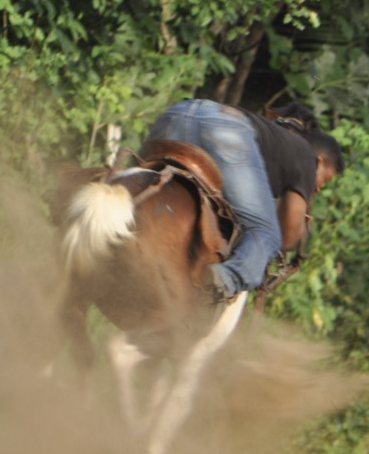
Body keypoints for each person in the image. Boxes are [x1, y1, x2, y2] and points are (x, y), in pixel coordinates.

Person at [143, 98, 344, 302]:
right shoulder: (307, 154)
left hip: (177, 113)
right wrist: (302, 232)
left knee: (143, 184)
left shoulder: (272, 137)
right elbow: (287, 234)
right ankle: (224, 280)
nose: (317, 187)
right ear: (321, 161)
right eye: (324, 180)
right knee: (266, 233)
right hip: (224, 129)